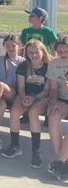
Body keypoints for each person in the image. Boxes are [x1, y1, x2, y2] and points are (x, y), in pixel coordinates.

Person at [1, 39, 51, 168]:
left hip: (41, 98)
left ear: (42, 52)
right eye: (30, 52)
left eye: (36, 52)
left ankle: (36, 151)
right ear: (26, 53)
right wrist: (23, 98)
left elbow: (46, 90)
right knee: (15, 111)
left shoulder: (48, 67)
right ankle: (15, 146)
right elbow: (21, 87)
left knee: (34, 112)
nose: (33, 55)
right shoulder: (23, 66)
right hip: (25, 96)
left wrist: (34, 98)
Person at [47, 36, 68, 177]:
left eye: (66, 51)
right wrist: (53, 103)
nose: (63, 54)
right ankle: (62, 161)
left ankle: (60, 161)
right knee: (53, 116)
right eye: (59, 51)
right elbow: (53, 88)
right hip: (63, 99)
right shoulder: (54, 64)